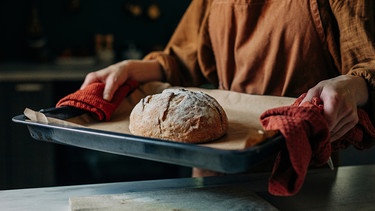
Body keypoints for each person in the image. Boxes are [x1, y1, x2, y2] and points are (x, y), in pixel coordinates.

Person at [81, 0, 375, 175]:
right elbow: (186, 58)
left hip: (299, 168)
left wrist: (352, 85)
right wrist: (133, 69)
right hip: (214, 164)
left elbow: (369, 62)